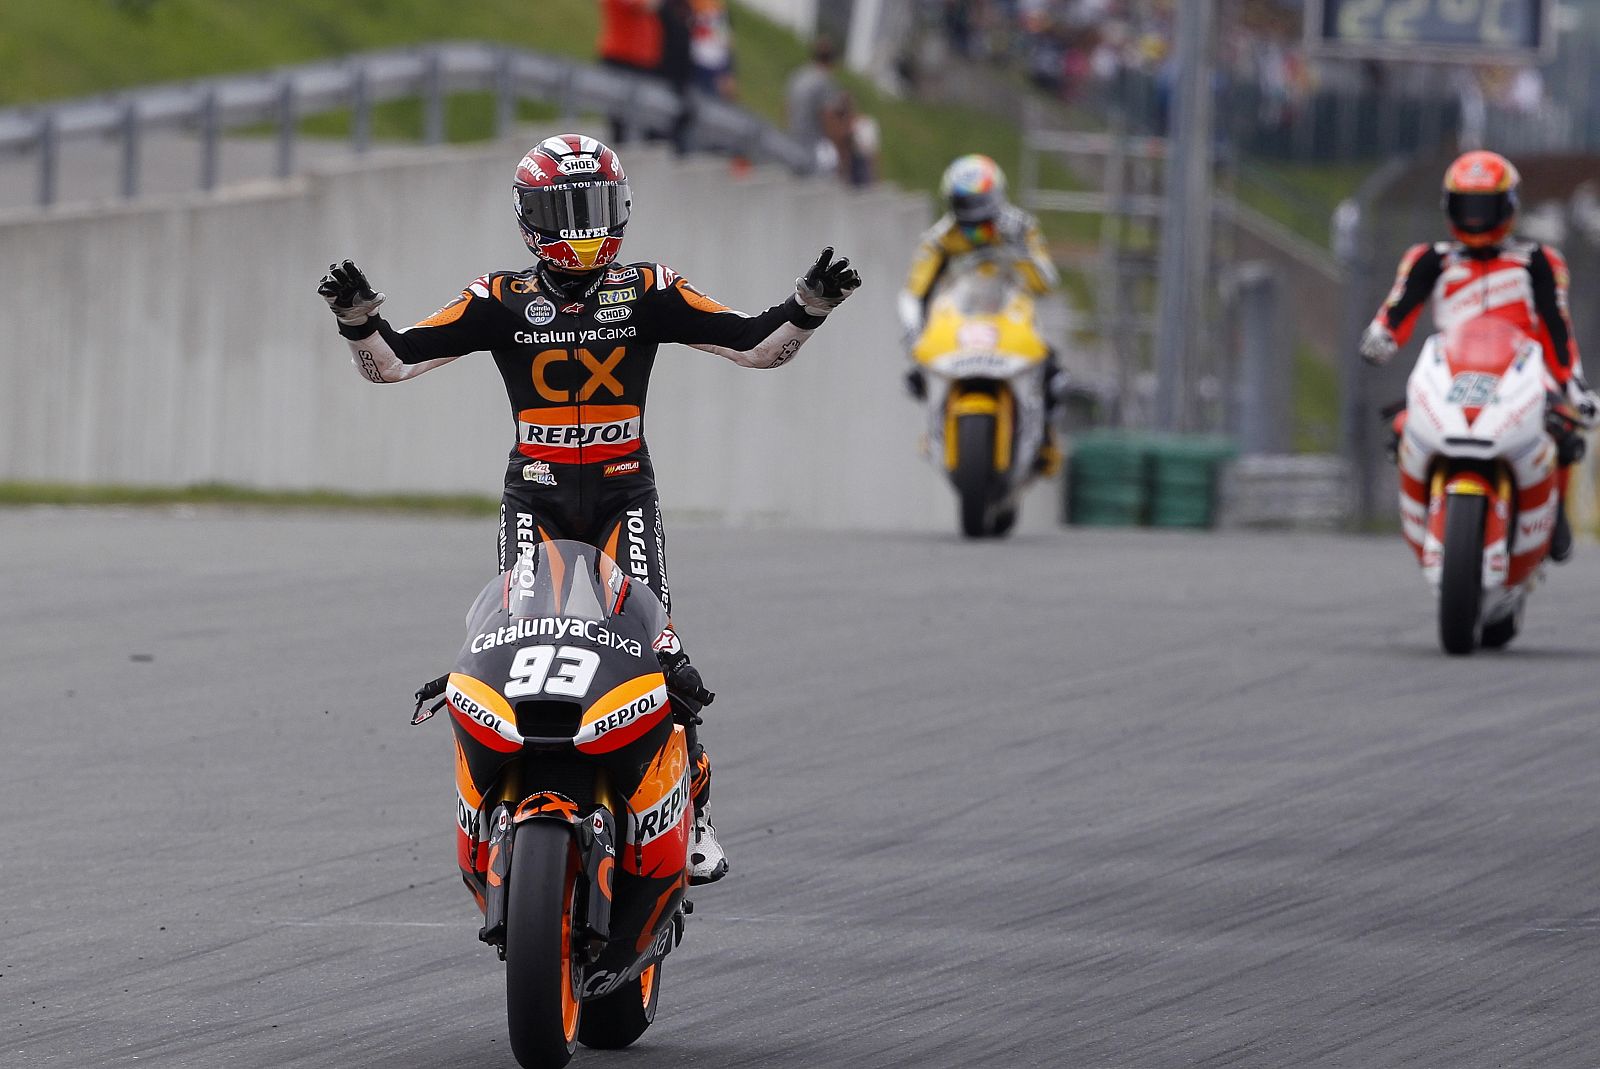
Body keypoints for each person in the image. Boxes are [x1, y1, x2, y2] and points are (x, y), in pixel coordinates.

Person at [317, 133, 861, 883]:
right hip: (533, 498)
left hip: (622, 495)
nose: (581, 228)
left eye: (595, 208)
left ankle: (694, 811)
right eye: (565, 211)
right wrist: (357, 321)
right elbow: (394, 363)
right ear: (529, 218)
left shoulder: (649, 287)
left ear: (624, 208)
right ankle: (497, 806)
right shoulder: (496, 298)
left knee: (662, 656)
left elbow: (754, 346)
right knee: (512, 641)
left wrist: (809, 307)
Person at [1361, 149, 1596, 562]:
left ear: (1508, 207)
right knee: (1402, 424)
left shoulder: (1539, 260)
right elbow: (1398, 308)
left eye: (1485, 207)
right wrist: (1382, 336)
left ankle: (1553, 510)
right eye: (1466, 207)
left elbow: (1558, 328)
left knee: (1561, 426)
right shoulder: (1429, 258)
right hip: (1453, 363)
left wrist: (1573, 387)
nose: (1475, 218)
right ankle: (1421, 509)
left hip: (1522, 366)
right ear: (1449, 207)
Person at [898, 153, 1064, 473]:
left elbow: (1046, 283)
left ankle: (1045, 437)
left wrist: (1020, 252)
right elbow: (913, 292)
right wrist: (912, 329)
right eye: (964, 201)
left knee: (1054, 374)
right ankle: (934, 430)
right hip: (962, 315)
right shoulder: (940, 239)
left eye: (979, 200)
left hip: (1012, 313)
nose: (973, 211)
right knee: (916, 374)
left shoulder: (1021, 227)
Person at [785, 34, 841, 173]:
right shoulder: (825, 81)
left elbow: (787, 107)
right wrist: (837, 146)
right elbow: (828, 118)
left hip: (792, 140)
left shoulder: (797, 75)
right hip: (813, 147)